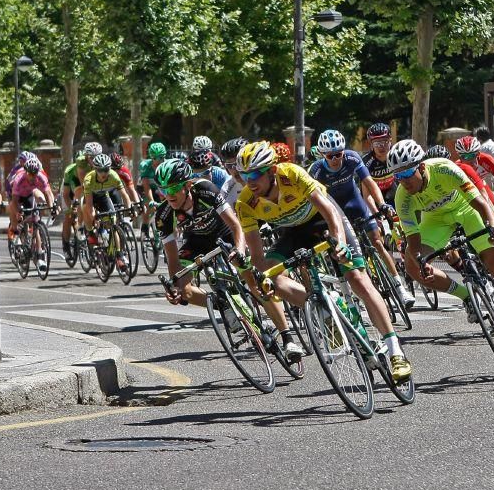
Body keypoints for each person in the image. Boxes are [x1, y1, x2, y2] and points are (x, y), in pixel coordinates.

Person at [234, 141, 412, 382]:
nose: (249, 181)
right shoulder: (245, 202)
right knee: (272, 278)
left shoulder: (291, 174)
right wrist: (262, 278)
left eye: (255, 174)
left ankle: (395, 351)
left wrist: (339, 243)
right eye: (244, 175)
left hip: (325, 220)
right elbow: (257, 257)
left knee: (357, 278)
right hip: (293, 232)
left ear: (272, 171)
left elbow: (329, 212)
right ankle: (324, 306)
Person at [390, 140, 494, 357]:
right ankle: (466, 296)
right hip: (436, 220)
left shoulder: (445, 169)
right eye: (398, 176)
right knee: (412, 265)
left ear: (422, 167)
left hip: (466, 207)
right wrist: (420, 260)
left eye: (407, 173)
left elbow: (481, 203)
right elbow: (413, 238)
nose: (403, 181)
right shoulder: (402, 197)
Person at [155, 157, 304, 363]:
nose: (167, 195)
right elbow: (173, 260)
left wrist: (239, 251)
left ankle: (287, 337)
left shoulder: (206, 190)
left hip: (224, 233)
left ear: (187, 185)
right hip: (196, 243)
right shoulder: (163, 215)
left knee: (254, 280)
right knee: (184, 290)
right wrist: (175, 285)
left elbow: (236, 226)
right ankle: (222, 304)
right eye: (163, 191)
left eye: (172, 190)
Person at [310, 129, 415, 308]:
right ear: (322, 155)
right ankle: (356, 291)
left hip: (354, 202)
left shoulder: (352, 158)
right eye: (330, 156)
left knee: (378, 242)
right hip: (335, 211)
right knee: (345, 254)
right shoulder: (316, 171)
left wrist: (381, 205)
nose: (335, 159)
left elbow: (369, 183)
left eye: (338, 154)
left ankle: (400, 289)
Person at [82, 154, 133, 270]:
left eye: (106, 169)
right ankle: (90, 233)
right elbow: (89, 204)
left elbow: (124, 195)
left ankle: (119, 256)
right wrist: (93, 216)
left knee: (113, 223)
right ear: (95, 169)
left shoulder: (114, 176)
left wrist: (129, 209)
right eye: (101, 170)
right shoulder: (89, 180)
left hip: (103, 197)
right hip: (91, 198)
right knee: (85, 208)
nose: (104, 173)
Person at [9, 157, 56, 271]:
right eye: (30, 174)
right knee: (14, 210)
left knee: (36, 224)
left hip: (30, 193)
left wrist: (52, 208)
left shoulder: (41, 176)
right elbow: (15, 200)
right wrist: (17, 212)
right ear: (26, 172)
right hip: (18, 195)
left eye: (35, 174)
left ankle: (40, 256)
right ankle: (15, 233)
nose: (33, 176)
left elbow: (48, 193)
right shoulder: (19, 179)